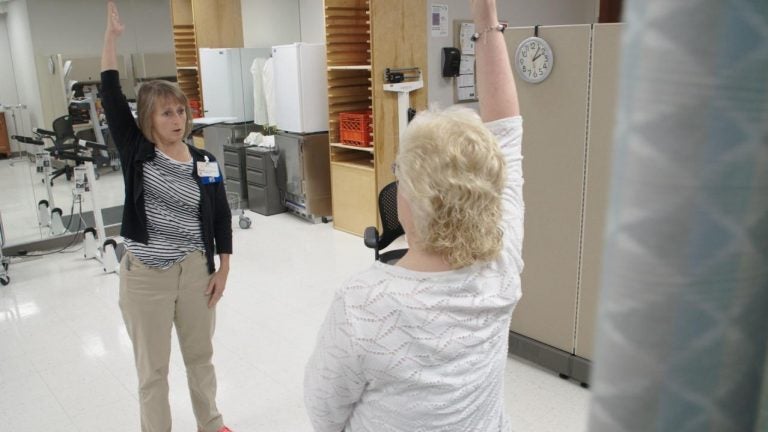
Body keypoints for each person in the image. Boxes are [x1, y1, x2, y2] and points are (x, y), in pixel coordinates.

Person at [303, 0, 524, 430]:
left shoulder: (364, 302)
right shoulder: (500, 265)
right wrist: (486, 17)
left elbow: (325, 412)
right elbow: (507, 130)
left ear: (413, 198)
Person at [100, 2, 233, 431]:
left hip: (195, 271)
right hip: (146, 277)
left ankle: (211, 423)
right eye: (166, 113)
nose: (177, 119)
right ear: (148, 120)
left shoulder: (204, 160)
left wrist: (223, 267)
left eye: (181, 111)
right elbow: (109, 91)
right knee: (153, 372)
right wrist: (111, 39)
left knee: (200, 358)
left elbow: (221, 217)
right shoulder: (137, 153)